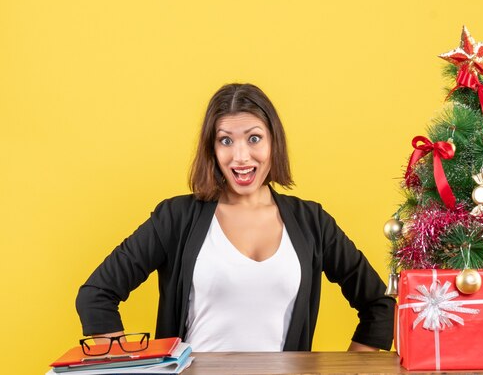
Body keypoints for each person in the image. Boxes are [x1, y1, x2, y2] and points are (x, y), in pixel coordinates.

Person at [76, 83, 395, 352]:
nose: (241, 156)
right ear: (212, 149)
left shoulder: (312, 222)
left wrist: (354, 368)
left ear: (273, 142)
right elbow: (96, 296)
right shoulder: (175, 217)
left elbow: (380, 306)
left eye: (254, 138)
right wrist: (131, 367)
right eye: (226, 140)